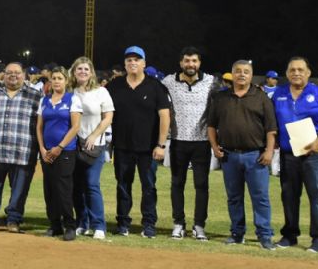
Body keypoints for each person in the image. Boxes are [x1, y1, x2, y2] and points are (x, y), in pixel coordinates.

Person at [207, 60, 277, 250]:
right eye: (238, 71)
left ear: (251, 75)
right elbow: (211, 125)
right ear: (232, 74)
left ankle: (265, 235)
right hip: (229, 156)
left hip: (255, 156)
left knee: (260, 197)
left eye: (246, 71)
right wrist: (214, 146)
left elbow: (271, 128)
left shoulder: (261, 97)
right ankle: (237, 233)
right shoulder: (221, 98)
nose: (242, 74)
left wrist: (269, 151)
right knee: (234, 197)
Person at [271, 57, 318, 253]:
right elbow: (272, 121)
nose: (296, 73)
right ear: (287, 72)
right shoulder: (279, 94)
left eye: (301, 69)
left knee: (317, 196)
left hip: (315, 154)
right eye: (292, 69)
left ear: (309, 73)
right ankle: (290, 235)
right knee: (289, 195)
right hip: (288, 154)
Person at [105, 46, 170, 238]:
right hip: (123, 146)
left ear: (144, 63)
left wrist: (161, 145)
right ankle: (122, 222)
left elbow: (165, 116)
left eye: (137, 59)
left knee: (148, 186)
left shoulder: (155, 86)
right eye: (129, 60)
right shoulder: (114, 86)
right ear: (125, 64)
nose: (133, 63)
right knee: (123, 185)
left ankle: (149, 224)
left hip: (148, 148)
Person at [0, 62, 42, 233]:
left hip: (23, 151)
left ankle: (13, 219)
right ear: (3, 75)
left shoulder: (35, 96)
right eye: (9, 72)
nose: (13, 75)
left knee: (20, 188)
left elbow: (40, 124)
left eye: (17, 73)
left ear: (24, 75)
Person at [161, 47, 215, 241]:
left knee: (201, 185)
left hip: (202, 142)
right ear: (181, 63)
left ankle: (199, 226)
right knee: (177, 184)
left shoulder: (210, 82)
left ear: (199, 63)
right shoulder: (168, 81)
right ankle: (178, 224)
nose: (190, 64)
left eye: (194, 61)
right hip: (177, 141)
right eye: (187, 61)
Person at [69, 56, 114, 240]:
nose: (82, 72)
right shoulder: (69, 91)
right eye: (79, 69)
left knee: (91, 184)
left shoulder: (101, 91)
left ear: (91, 72)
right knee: (75, 186)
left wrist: (94, 136)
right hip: (73, 144)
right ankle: (82, 222)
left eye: (86, 69)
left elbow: (108, 117)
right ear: (73, 71)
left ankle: (99, 225)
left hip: (94, 144)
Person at [36, 66, 82, 241]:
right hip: (46, 152)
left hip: (65, 152)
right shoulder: (45, 101)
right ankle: (54, 225)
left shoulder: (72, 99)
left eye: (60, 78)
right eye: (54, 78)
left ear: (66, 81)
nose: (56, 81)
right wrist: (42, 148)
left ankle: (69, 226)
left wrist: (60, 147)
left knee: (63, 189)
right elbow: (39, 127)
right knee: (49, 189)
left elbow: (75, 127)